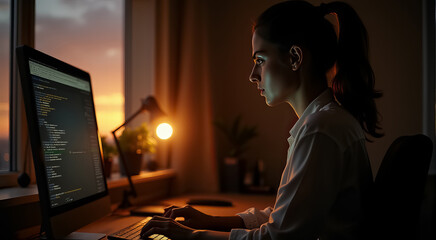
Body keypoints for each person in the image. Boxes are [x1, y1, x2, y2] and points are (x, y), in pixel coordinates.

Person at [140, 1, 382, 239]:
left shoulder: (320, 130)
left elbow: (277, 237)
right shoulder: (323, 122)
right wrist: (211, 221)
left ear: (295, 58)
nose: (252, 75)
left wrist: (192, 236)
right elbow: (285, 215)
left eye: (260, 60)